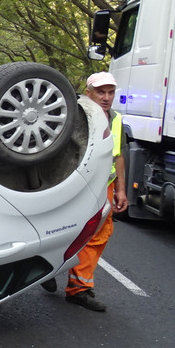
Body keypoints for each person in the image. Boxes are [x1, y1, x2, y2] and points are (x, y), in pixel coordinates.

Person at [48, 71, 127, 311]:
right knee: (57, 229)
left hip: (104, 185)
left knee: (98, 234)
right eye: (101, 92)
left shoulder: (115, 118)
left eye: (110, 92)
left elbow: (118, 155)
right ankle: (45, 266)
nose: (106, 97)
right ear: (88, 92)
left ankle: (79, 288)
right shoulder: (73, 114)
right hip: (75, 183)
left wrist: (121, 190)